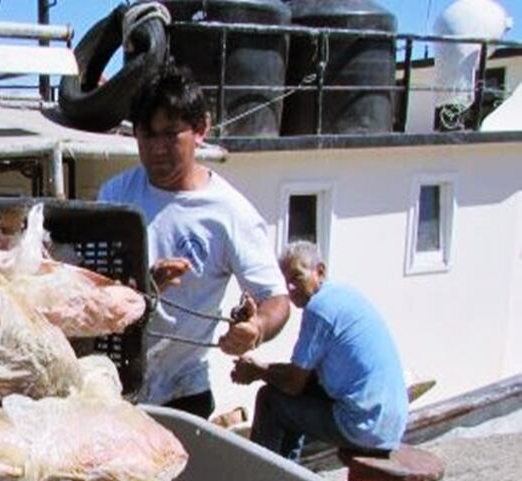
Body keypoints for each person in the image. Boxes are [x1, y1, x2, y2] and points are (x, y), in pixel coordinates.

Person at [98, 67, 290, 418]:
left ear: (201, 129)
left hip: (182, 392)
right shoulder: (115, 194)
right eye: (147, 135)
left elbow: (277, 299)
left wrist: (256, 328)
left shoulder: (229, 212)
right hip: (115, 388)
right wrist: (145, 286)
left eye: (171, 134)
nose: (157, 149)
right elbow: (93, 287)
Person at [231, 241, 408, 460]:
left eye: (296, 277)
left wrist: (256, 371)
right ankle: (288, 475)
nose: (290, 288)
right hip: (391, 424)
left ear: (320, 271)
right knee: (295, 395)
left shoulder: (319, 309)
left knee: (270, 400)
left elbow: (293, 383)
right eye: (285, 282)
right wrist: (259, 368)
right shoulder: (341, 294)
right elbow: (303, 375)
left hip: (364, 426)